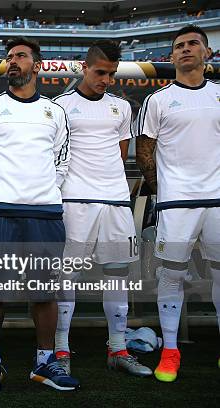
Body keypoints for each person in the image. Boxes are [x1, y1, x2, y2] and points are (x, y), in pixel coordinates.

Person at [0, 36, 79, 392]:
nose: (13, 61)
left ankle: (45, 362)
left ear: (37, 65)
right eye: (9, 57)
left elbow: (63, 158)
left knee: (44, 290)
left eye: (21, 56)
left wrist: (44, 190)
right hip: (0, 211)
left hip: (44, 212)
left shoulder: (54, 111)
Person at [53, 40, 152, 377]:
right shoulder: (60, 105)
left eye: (111, 74)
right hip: (74, 200)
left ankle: (118, 347)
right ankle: (61, 349)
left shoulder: (121, 107)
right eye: (100, 72)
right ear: (85, 67)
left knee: (117, 276)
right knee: (68, 277)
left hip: (114, 201)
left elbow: (120, 152)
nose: (106, 79)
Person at [135, 24, 220, 382]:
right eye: (179, 46)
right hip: (176, 205)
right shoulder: (157, 100)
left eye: (193, 44)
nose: (185, 49)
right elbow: (144, 151)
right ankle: (170, 350)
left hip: (217, 201)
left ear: (207, 54)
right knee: (171, 276)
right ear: (171, 57)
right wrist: (162, 191)